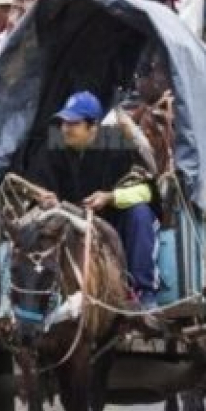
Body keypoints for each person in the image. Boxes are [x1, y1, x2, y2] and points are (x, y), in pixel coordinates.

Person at [35, 92, 159, 307]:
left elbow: (148, 191)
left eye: (73, 124)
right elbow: (35, 185)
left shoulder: (118, 143)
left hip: (113, 222)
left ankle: (143, 292)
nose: (65, 128)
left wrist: (111, 197)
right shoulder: (53, 145)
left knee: (140, 213)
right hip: (67, 225)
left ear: (93, 127)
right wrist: (43, 199)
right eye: (63, 122)